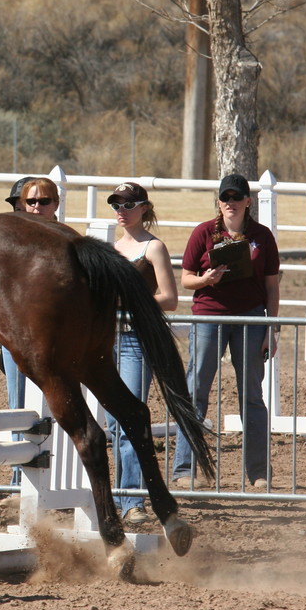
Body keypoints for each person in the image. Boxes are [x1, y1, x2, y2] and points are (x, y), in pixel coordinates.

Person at [173, 173, 280, 490]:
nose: (230, 203)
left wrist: (269, 329)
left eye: (236, 197)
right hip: (208, 316)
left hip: (251, 318)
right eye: (225, 198)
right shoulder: (203, 233)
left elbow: (272, 287)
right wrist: (207, 279)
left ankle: (259, 472)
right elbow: (186, 279)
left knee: (252, 396)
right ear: (218, 202)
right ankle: (184, 469)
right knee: (196, 392)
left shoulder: (263, 236)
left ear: (248, 201)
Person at [105, 182, 178, 526]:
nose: (121, 211)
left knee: (128, 418)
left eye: (128, 205)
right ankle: (126, 497)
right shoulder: (112, 248)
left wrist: (132, 306)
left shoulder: (153, 247)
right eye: (117, 205)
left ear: (144, 208)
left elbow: (170, 297)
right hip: (107, 340)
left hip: (134, 340)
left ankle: (132, 499)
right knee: (113, 422)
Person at [1, 176, 61, 484]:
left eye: (43, 202)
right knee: (18, 404)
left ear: (55, 205)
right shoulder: (7, 241)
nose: (36, 208)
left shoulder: (66, 241)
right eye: (30, 202)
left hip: (54, 336)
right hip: (13, 335)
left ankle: (53, 476)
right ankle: (17, 478)